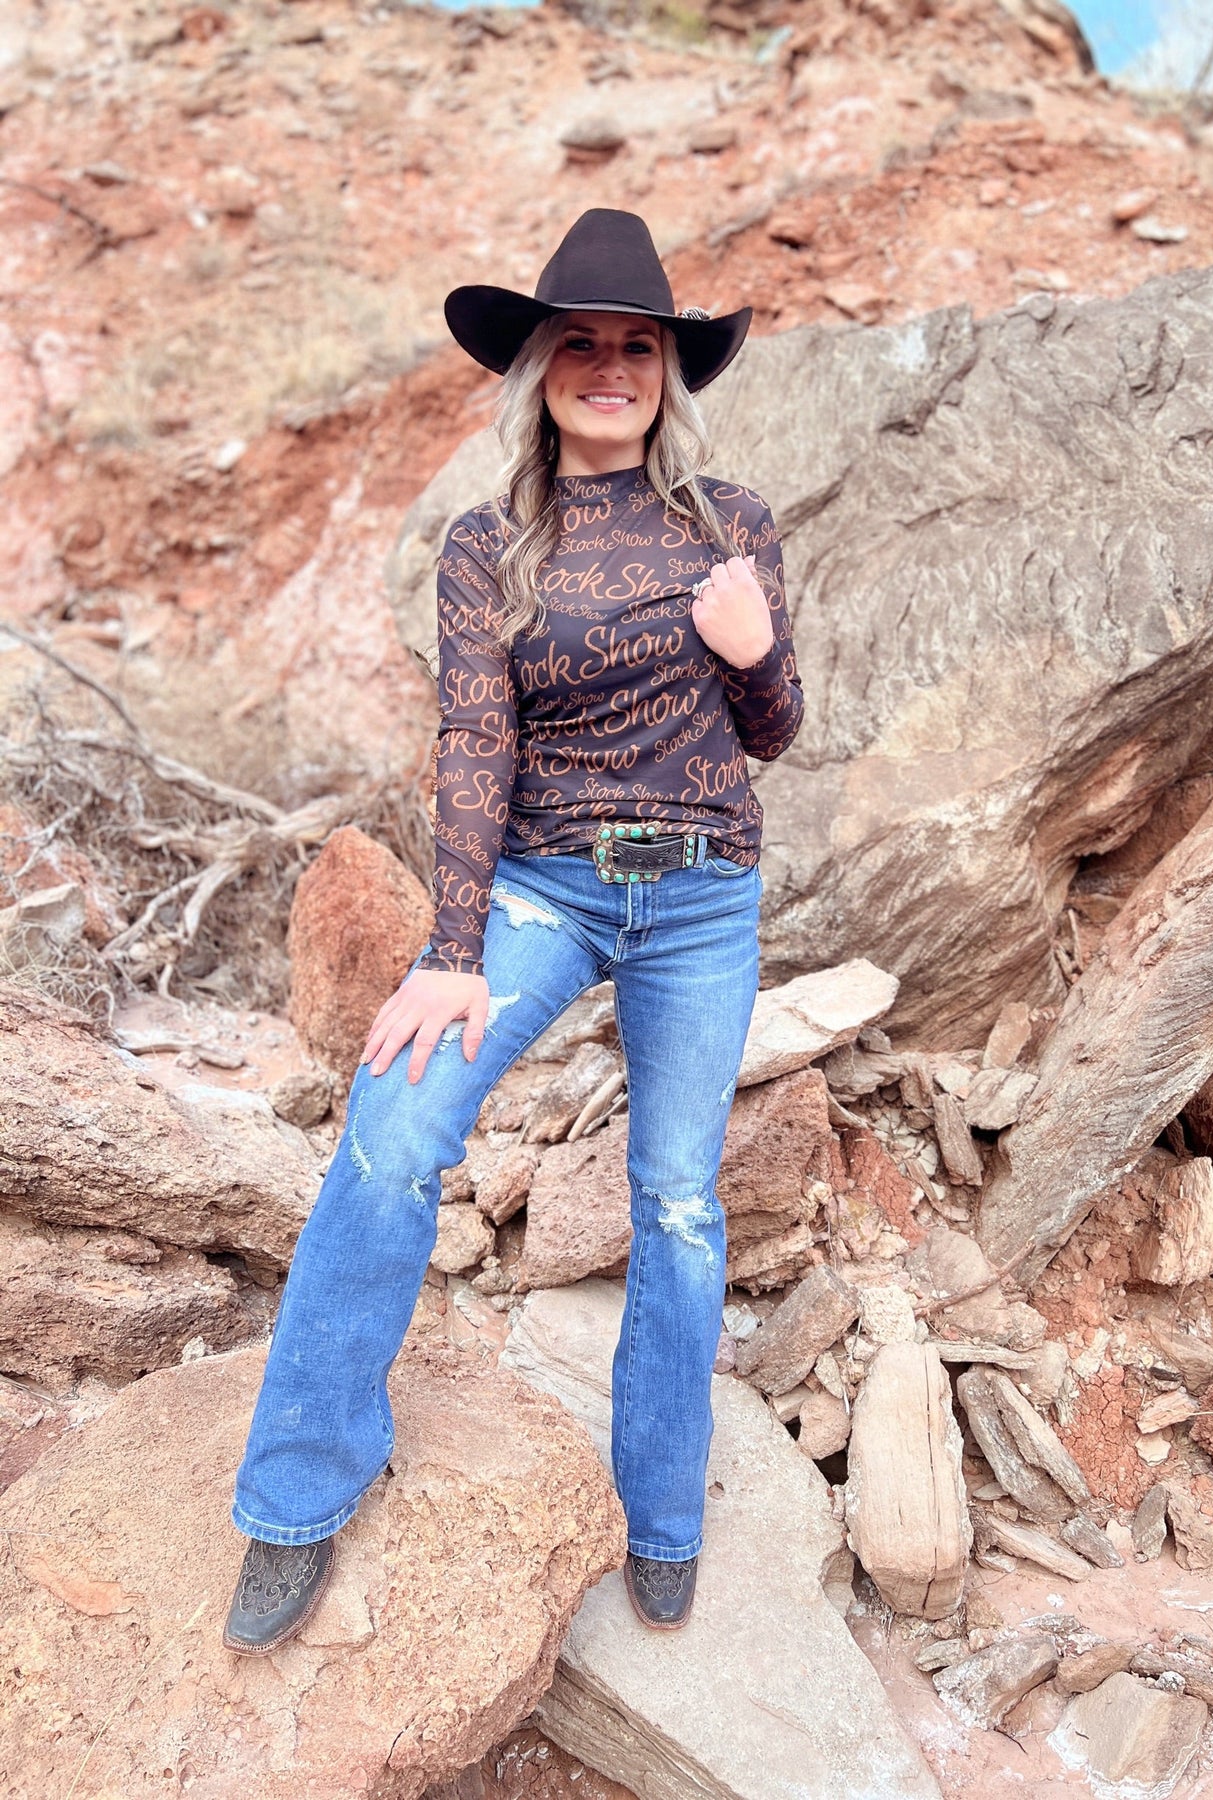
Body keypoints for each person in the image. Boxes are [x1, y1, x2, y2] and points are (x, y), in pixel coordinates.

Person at [223, 208, 804, 1653]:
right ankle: (294, 1499)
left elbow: (773, 730)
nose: (609, 368)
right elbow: (475, 748)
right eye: (580, 345)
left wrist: (755, 653)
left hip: (700, 899)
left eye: (637, 347)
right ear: (539, 369)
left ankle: (660, 1516)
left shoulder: (732, 523)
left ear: (667, 371)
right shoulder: (489, 544)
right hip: (548, 887)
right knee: (394, 1127)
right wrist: (452, 950)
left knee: (678, 1204)